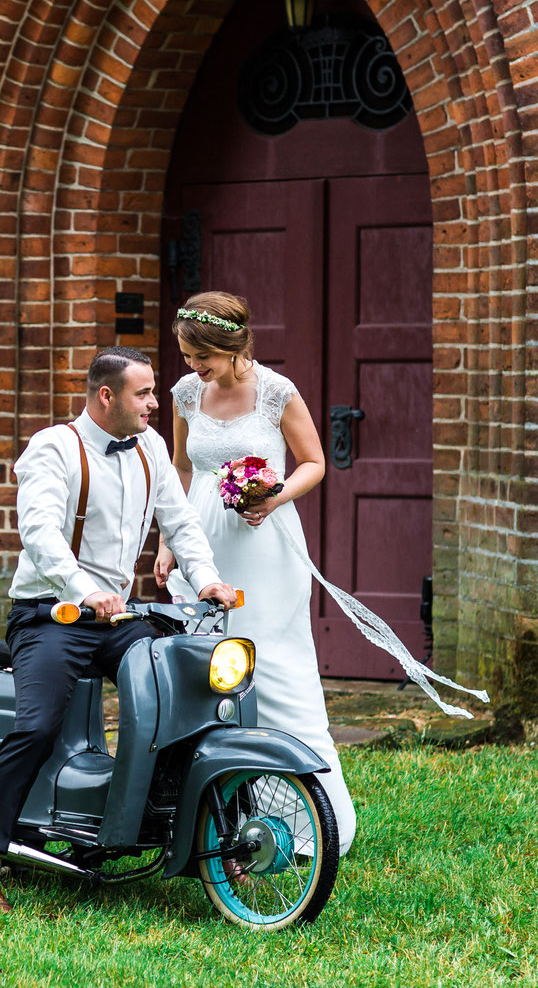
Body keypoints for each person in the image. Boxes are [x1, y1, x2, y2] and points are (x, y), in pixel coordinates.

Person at [0, 346, 236, 913]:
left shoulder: (152, 447)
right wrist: (84, 590)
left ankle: (187, 831)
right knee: (37, 727)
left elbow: (180, 522)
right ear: (106, 396)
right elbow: (39, 533)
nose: (156, 404)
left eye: (155, 392)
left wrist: (208, 579)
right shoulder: (53, 448)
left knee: (186, 697)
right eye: (144, 394)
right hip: (50, 616)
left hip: (119, 618)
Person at [154, 292, 357, 857]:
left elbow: (313, 461)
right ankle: (208, 809)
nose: (194, 367)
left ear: (232, 346)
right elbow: (180, 468)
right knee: (202, 670)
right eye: (188, 356)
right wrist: (170, 541)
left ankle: (311, 814)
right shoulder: (185, 393)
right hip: (202, 542)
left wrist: (273, 496)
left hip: (263, 545)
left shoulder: (276, 392)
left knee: (269, 666)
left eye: (203, 356)